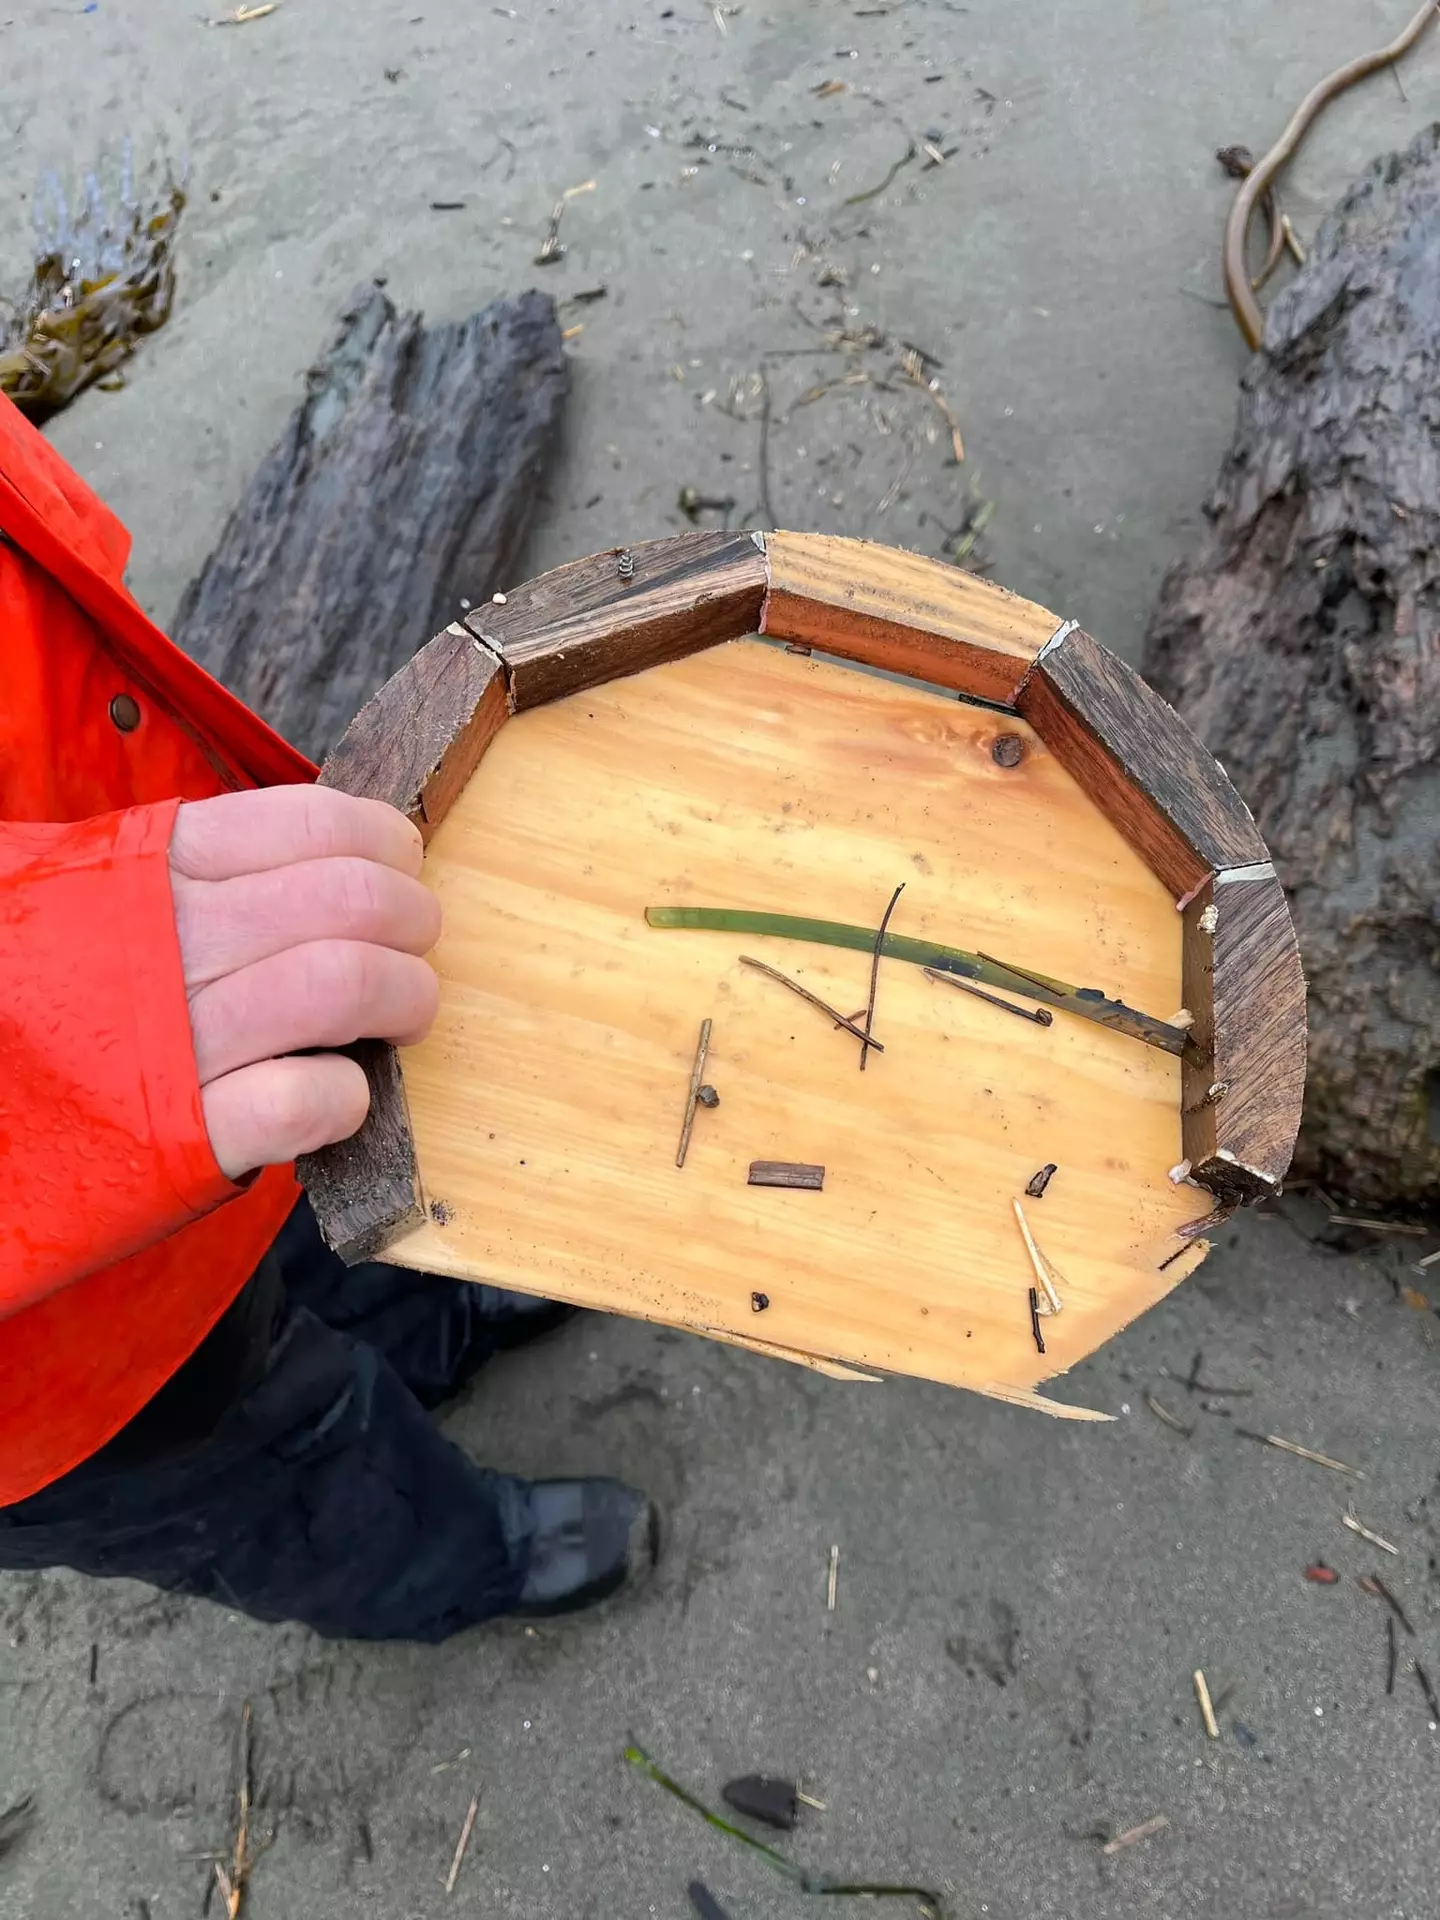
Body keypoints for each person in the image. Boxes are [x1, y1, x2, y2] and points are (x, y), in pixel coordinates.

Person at [0, 392, 656, 1641]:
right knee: (274, 1462)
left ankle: (435, 1326)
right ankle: (464, 1565)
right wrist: (56, 1008)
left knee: (325, 1207)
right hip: (57, 1374)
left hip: (171, 924)